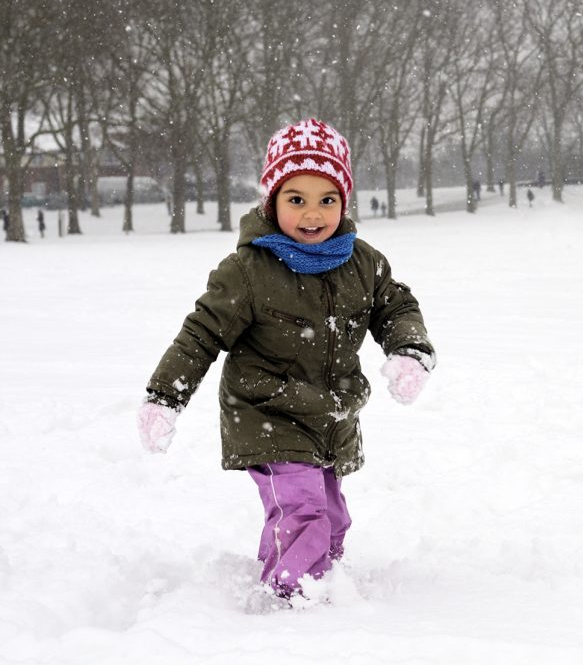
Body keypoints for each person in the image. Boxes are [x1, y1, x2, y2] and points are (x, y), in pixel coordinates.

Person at [137, 118, 436, 603]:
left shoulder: (364, 263)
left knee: (331, 515)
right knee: (301, 508)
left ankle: (321, 577)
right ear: (272, 200)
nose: (312, 213)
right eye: (296, 198)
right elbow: (201, 334)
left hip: (331, 416)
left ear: (344, 200)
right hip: (267, 411)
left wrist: (409, 350)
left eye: (327, 199)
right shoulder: (248, 271)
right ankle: (292, 601)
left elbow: (396, 307)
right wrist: (164, 397)